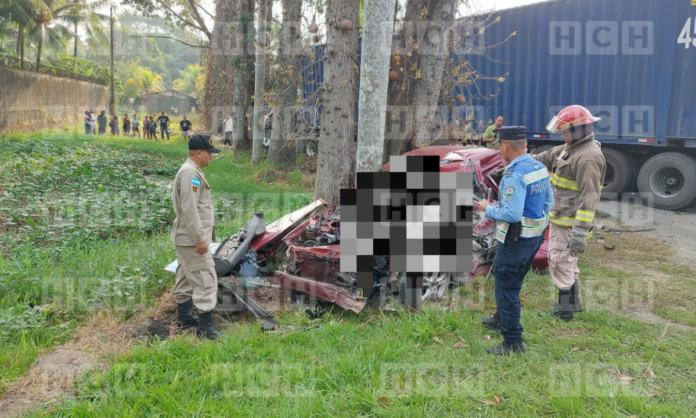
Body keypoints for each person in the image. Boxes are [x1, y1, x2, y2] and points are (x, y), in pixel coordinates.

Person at [474, 126, 553, 355]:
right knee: (509, 280)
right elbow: (548, 202)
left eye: (500, 147)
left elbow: (512, 214)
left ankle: (513, 341)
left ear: (505, 146)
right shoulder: (538, 168)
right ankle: (500, 319)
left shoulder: (513, 175)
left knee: (507, 289)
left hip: (516, 241)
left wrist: (487, 208)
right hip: (533, 239)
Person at [533, 105, 606, 321]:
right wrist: (520, 162)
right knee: (568, 261)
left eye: (565, 131)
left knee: (559, 260)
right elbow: (547, 156)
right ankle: (573, 303)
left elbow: (590, 196)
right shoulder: (570, 148)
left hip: (569, 223)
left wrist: (580, 232)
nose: (562, 135)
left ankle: (564, 309)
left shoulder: (587, 157)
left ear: (579, 130)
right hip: (561, 217)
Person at [171, 135, 222, 340]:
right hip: (192, 240)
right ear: (199, 153)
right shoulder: (190, 173)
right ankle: (205, 328)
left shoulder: (193, 172)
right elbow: (189, 208)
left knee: (185, 274)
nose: (212, 156)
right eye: (210, 152)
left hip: (187, 238)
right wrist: (200, 238)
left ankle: (184, 317)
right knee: (206, 278)